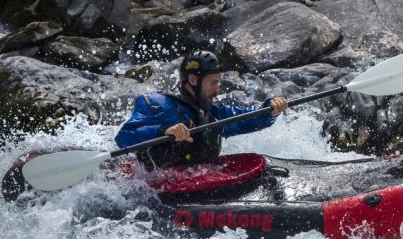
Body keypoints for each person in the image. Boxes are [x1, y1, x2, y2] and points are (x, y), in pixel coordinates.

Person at [115, 50, 288, 167]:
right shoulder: (161, 106)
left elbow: (249, 119)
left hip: (198, 186)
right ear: (192, 80)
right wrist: (163, 131)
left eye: (218, 83)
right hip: (157, 192)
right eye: (213, 83)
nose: (218, 90)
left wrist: (270, 109)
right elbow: (123, 138)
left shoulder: (214, 113)